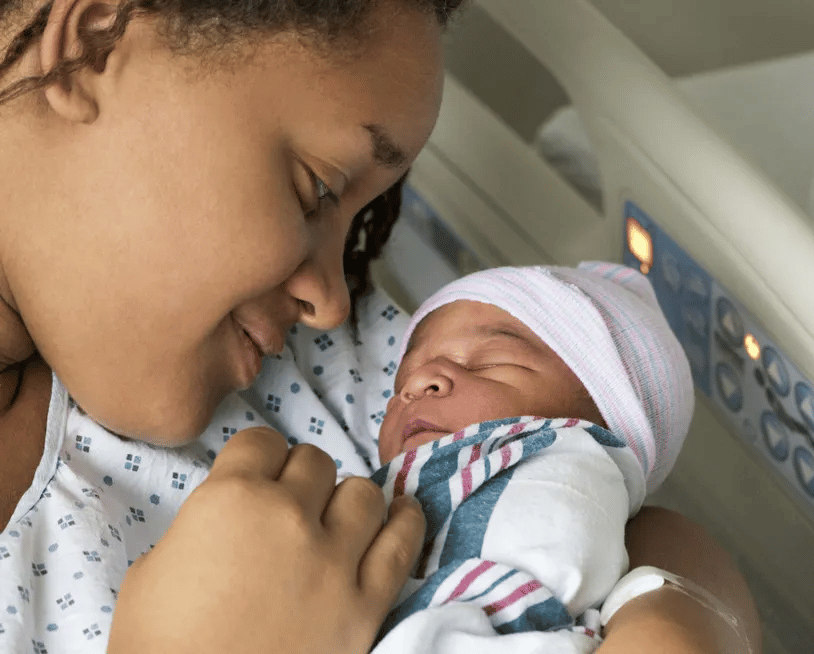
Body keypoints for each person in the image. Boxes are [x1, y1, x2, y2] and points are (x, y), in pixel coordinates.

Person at [0, 1, 761, 652]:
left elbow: (612, 489)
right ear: (92, 41)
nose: (328, 300)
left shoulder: (314, 364)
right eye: (316, 188)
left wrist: (679, 609)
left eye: (359, 217)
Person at [366, 261, 749, 653]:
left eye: (490, 363)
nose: (415, 384)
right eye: (400, 384)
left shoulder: (565, 476)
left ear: (603, 428)